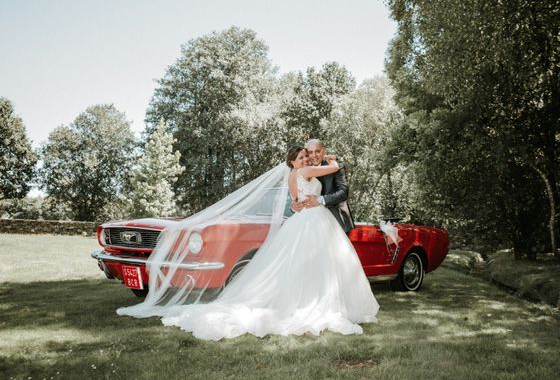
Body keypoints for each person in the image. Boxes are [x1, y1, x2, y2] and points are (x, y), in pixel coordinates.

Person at [118, 146, 379, 341]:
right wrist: (334, 161)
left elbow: (296, 201)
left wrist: (300, 203)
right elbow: (332, 170)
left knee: (302, 265)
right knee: (318, 265)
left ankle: (311, 300)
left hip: (307, 220)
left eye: (307, 155)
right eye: (301, 156)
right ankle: (319, 303)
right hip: (313, 221)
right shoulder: (306, 171)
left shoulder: (292, 176)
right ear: (293, 161)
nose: (305, 158)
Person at [292, 139, 355, 233]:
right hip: (310, 223)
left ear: (323, 150)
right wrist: (294, 206)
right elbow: (297, 194)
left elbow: (343, 193)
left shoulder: (337, 165)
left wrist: (319, 200)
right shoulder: (303, 169)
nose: (314, 155)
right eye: (310, 152)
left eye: (317, 151)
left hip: (336, 221)